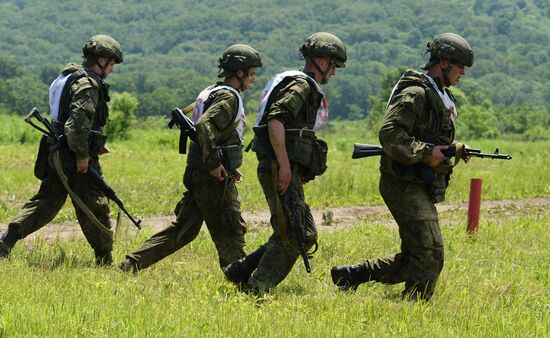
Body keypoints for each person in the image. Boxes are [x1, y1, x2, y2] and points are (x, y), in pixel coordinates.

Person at [331, 33, 474, 301]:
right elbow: (390, 134)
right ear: (443, 63)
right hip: (402, 182)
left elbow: (429, 136)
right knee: (431, 251)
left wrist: (453, 148)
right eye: (459, 66)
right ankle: (413, 307)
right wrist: (425, 153)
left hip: (419, 181)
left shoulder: (439, 94)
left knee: (415, 257)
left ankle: (353, 275)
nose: (463, 72)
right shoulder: (416, 92)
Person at [119, 44, 262, 272]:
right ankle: (243, 281)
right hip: (210, 177)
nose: (253, 80)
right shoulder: (228, 98)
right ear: (239, 72)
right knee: (230, 230)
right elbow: (205, 126)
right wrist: (215, 164)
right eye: (252, 74)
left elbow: (218, 135)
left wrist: (228, 165)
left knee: (183, 230)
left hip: (198, 171)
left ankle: (132, 264)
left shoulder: (210, 92)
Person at [223, 32, 347, 293]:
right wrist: (285, 166)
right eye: (333, 65)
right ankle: (256, 290)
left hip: (280, 166)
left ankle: (241, 269)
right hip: (278, 167)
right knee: (294, 237)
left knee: (304, 233)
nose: (334, 72)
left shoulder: (299, 83)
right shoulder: (301, 85)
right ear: (321, 61)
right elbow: (276, 121)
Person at [0, 35, 124, 265]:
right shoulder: (88, 84)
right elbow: (76, 124)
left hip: (56, 152)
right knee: (95, 205)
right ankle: (105, 260)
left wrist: (95, 143)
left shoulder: (66, 77)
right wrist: (82, 155)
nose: (112, 69)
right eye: (112, 63)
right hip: (72, 155)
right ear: (102, 59)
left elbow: (65, 118)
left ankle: (7, 241)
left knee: (45, 202)